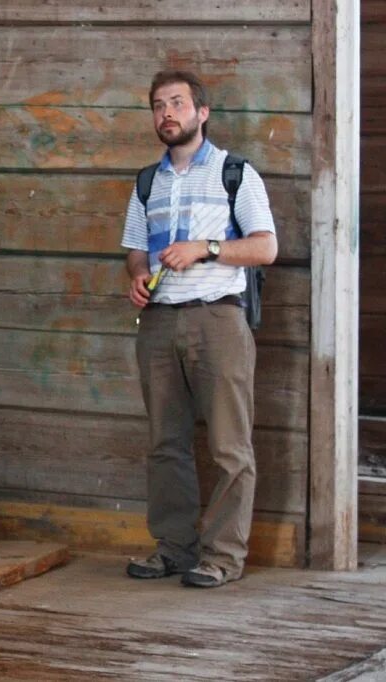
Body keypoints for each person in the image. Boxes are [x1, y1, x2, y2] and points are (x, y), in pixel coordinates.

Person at [121, 70, 277, 588]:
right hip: (159, 324)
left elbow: (265, 248)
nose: (168, 113)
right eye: (159, 105)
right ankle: (174, 549)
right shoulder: (147, 182)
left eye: (178, 103)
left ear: (202, 113)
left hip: (218, 318)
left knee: (230, 447)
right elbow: (135, 250)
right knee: (165, 443)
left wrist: (205, 249)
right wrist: (139, 276)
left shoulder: (235, 173)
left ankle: (223, 557)